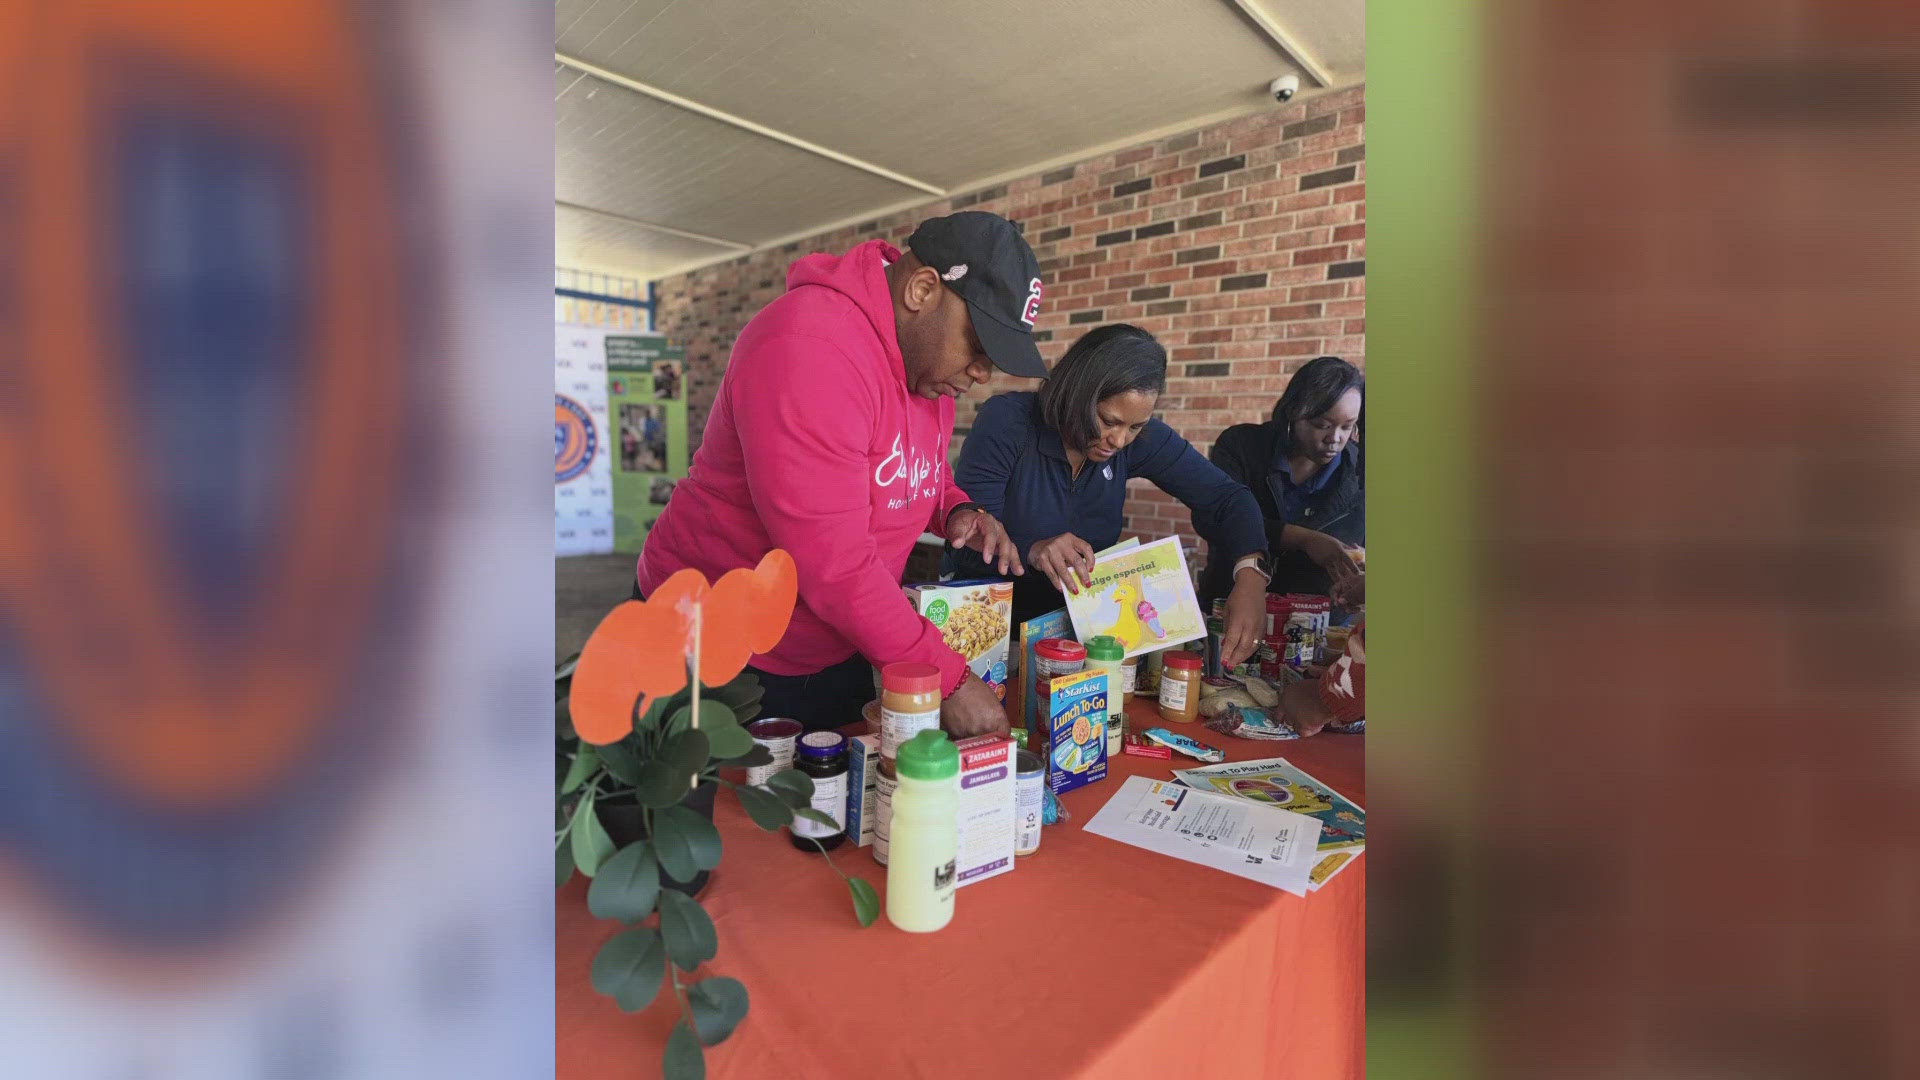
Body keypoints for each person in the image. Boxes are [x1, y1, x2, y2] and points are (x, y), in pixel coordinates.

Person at [637, 212, 1047, 736]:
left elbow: (916, 463)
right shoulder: (811, 346)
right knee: (734, 815)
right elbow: (833, 562)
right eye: (979, 347)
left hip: (836, 638)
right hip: (716, 644)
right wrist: (946, 679)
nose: (983, 374)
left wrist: (954, 506)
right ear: (923, 290)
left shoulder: (924, 370)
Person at [948, 324, 1273, 668]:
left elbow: (1226, 497)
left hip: (1079, 644)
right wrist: (1033, 547)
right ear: (1076, 394)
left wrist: (1251, 575)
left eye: (1134, 427)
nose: (1119, 441)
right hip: (989, 641)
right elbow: (967, 534)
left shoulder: (1138, 441)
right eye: (1107, 421)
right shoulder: (1008, 421)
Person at [1202, 355, 1363, 601]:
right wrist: (1304, 540)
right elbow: (1213, 519)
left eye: (1347, 426)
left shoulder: (1363, 469)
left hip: (1317, 623)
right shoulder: (1242, 447)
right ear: (1293, 412)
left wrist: (1355, 577)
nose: (1335, 438)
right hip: (1230, 605)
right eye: (1322, 424)